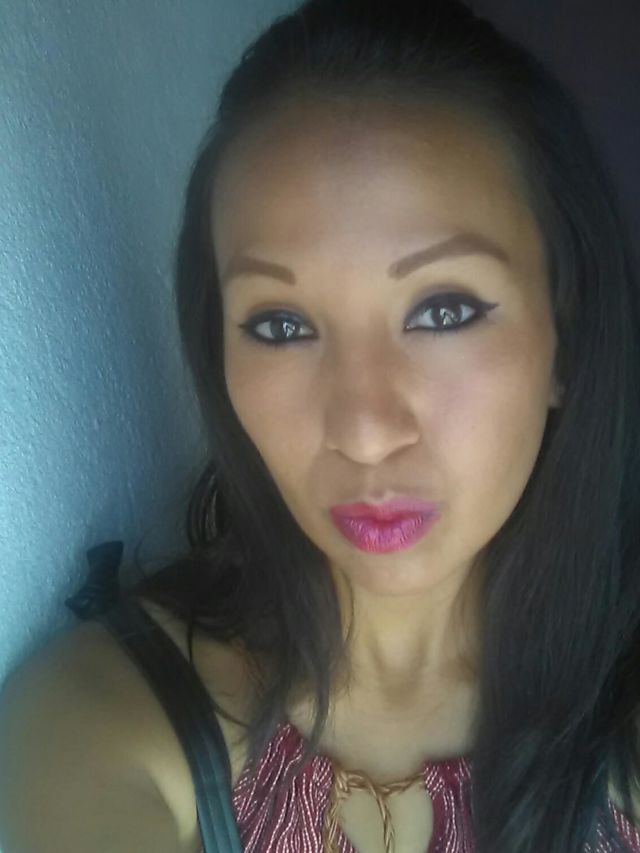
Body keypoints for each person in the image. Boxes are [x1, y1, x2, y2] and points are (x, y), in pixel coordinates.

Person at [1, 0, 640, 850]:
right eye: (281, 325)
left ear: (565, 335)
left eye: (444, 310)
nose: (365, 434)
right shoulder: (106, 720)